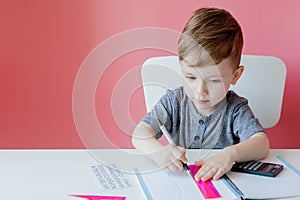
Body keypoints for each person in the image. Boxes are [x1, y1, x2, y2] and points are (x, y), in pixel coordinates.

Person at [132, 7, 269, 181]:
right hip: (179, 182)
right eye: (190, 77)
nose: (200, 91)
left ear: (235, 76)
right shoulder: (174, 101)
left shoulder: (235, 108)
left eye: (214, 80)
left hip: (220, 185)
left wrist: (230, 154)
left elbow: (262, 144)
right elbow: (140, 133)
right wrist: (158, 153)